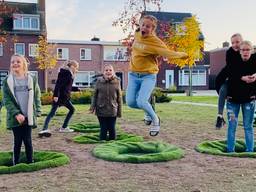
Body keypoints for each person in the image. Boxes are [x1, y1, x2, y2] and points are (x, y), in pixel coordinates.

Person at [126, 14, 188, 136]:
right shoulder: (137, 33)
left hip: (148, 76)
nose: (144, 28)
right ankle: (148, 109)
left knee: (142, 101)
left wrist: (181, 54)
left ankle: (155, 120)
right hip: (133, 75)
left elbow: (168, 53)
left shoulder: (155, 42)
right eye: (143, 24)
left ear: (152, 29)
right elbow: (138, 32)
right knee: (131, 103)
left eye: (148, 27)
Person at [2, 54, 41, 165]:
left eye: (18, 61)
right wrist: (17, 114)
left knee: (28, 141)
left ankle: (30, 162)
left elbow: (37, 95)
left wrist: (38, 110)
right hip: (16, 117)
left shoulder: (31, 79)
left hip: (28, 115)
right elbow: (7, 101)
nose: (15, 64)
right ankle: (16, 163)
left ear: (23, 64)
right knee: (17, 141)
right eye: (13, 62)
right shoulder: (7, 81)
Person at [226, 41, 256, 153]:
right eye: (243, 49)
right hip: (232, 101)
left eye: (248, 49)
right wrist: (241, 78)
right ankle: (230, 150)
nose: (245, 52)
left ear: (252, 51)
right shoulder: (233, 62)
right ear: (240, 51)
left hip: (249, 101)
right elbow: (228, 75)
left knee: (248, 126)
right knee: (232, 126)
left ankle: (249, 150)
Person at [38, 60, 79, 137]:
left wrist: (76, 89)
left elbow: (67, 87)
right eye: (76, 67)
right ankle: (45, 129)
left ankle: (63, 127)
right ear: (72, 66)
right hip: (61, 97)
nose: (76, 70)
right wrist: (56, 95)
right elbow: (58, 85)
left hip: (64, 97)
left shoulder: (69, 74)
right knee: (53, 113)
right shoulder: (65, 73)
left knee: (71, 110)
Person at [215, 33, 243, 129]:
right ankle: (220, 116)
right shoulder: (230, 52)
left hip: (244, 79)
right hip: (231, 76)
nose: (235, 44)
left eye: (237, 42)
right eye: (233, 43)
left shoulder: (247, 51)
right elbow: (230, 69)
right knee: (222, 88)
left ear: (242, 42)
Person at [89, 64, 122, 141]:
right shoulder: (99, 81)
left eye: (110, 70)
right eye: (106, 70)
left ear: (113, 72)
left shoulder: (117, 82)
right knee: (103, 128)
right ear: (103, 72)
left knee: (111, 128)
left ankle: (112, 145)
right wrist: (92, 108)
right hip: (101, 109)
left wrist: (119, 111)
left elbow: (119, 98)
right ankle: (102, 143)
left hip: (112, 110)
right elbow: (95, 96)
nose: (108, 72)